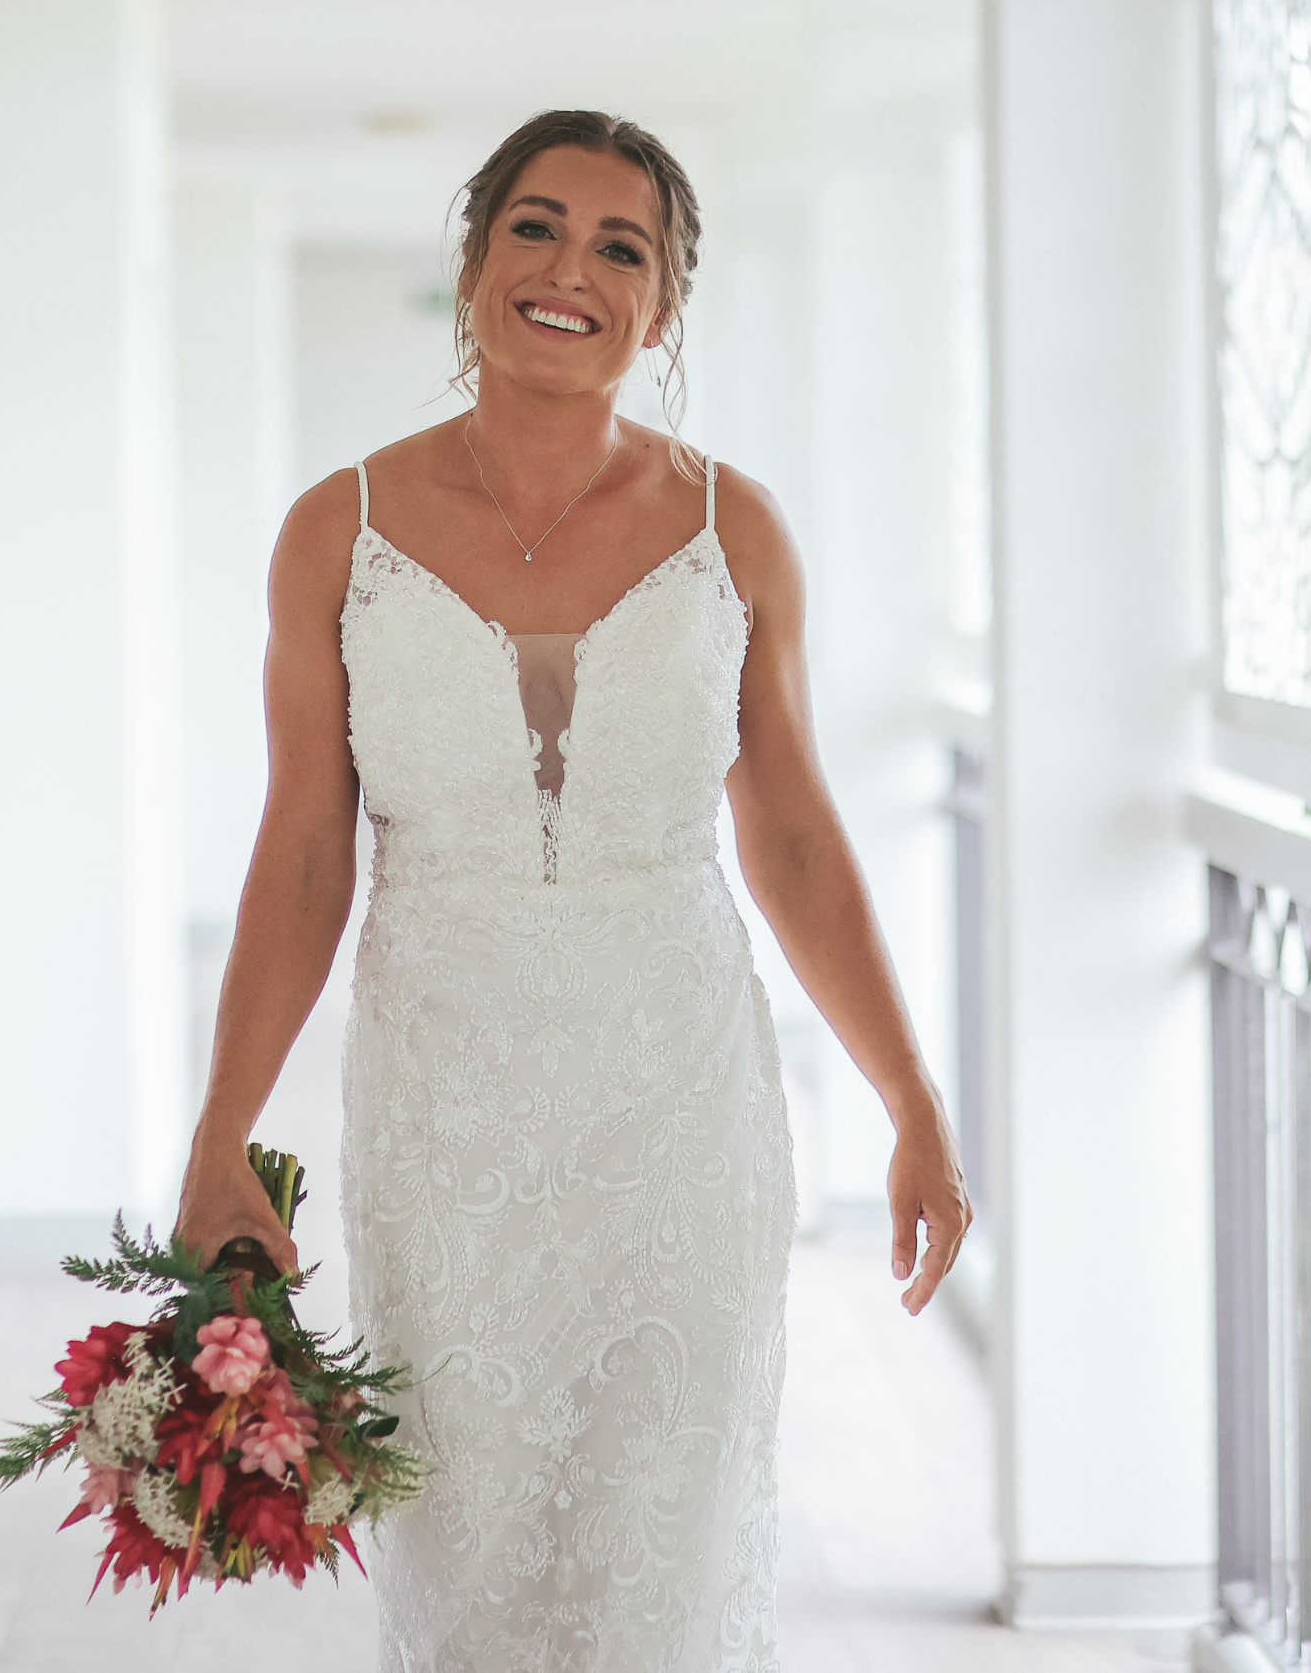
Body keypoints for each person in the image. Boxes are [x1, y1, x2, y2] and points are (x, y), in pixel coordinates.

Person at [174, 108, 969, 1672]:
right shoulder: (339, 531)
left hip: (681, 1126)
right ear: (476, 258)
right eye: (536, 226)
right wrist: (223, 1133)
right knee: (464, 1563)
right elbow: (306, 852)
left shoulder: (736, 532)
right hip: (445, 1132)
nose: (571, 271)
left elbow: (795, 839)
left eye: (623, 248)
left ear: (662, 310)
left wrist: (911, 1095)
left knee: (659, 1573)